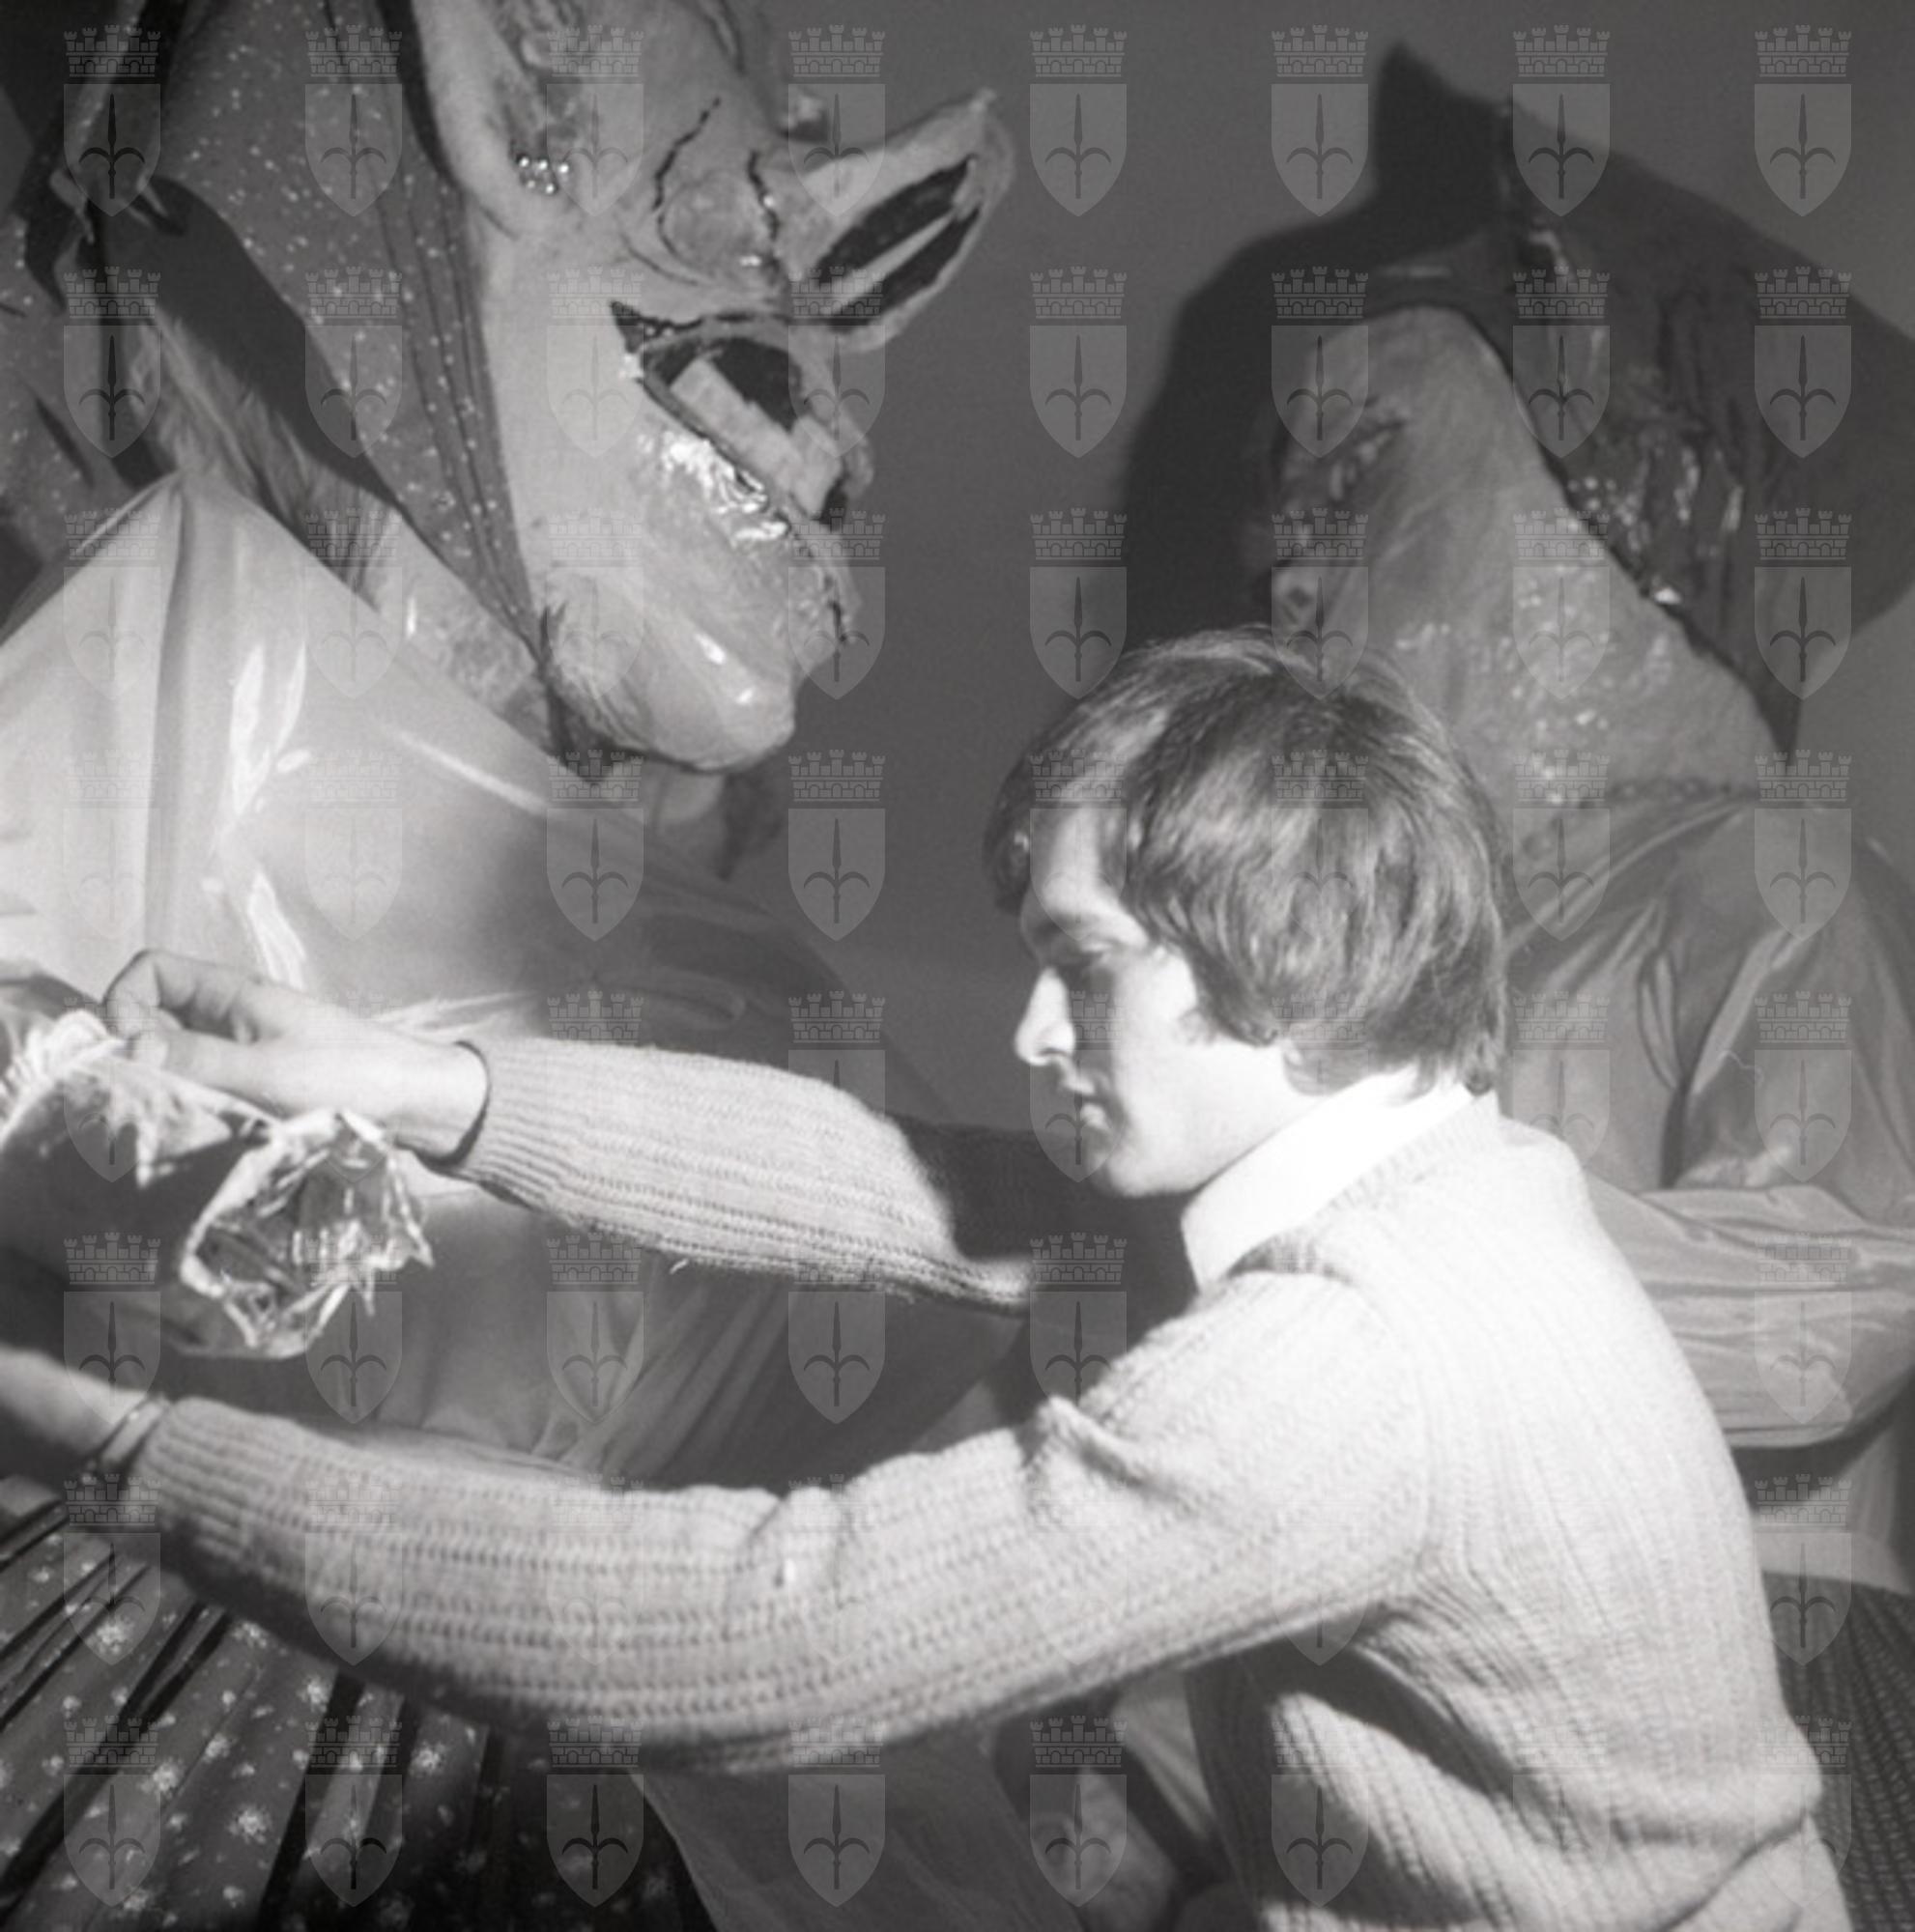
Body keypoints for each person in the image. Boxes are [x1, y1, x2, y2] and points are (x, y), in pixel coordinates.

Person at [0, 631, 1848, 1928]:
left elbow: (764, 1635)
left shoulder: (1347, 1363)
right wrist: (419, 1085)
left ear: (1278, 953)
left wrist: (134, 1455)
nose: (1033, 1029)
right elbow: (900, 1186)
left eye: (1084, 966)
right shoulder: (1433, 1179)